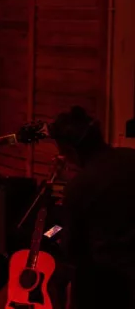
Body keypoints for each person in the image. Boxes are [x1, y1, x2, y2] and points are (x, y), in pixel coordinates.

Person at [51, 106, 135, 308]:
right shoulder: (130, 157)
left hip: (106, 284)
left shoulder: (80, 186)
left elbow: (72, 248)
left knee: (57, 279)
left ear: (71, 151)